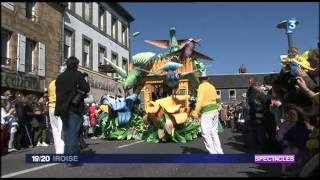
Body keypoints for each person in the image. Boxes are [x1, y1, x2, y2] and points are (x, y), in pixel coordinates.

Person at [55, 56, 90, 162]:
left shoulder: (60, 77)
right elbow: (86, 88)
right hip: (73, 107)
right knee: (73, 132)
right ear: (76, 65)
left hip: (61, 108)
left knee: (66, 131)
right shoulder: (77, 75)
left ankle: (67, 155)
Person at [191, 70, 223, 154]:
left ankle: (213, 153)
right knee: (214, 132)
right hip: (215, 111)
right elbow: (216, 98)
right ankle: (219, 151)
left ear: (200, 79)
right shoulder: (212, 86)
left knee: (205, 133)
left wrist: (195, 112)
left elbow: (200, 100)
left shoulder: (201, 86)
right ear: (207, 79)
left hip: (207, 111)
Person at [48, 65, 66, 154]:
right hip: (60, 107)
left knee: (55, 129)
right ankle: (60, 151)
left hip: (51, 107)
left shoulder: (51, 83)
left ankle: (58, 150)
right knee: (61, 130)